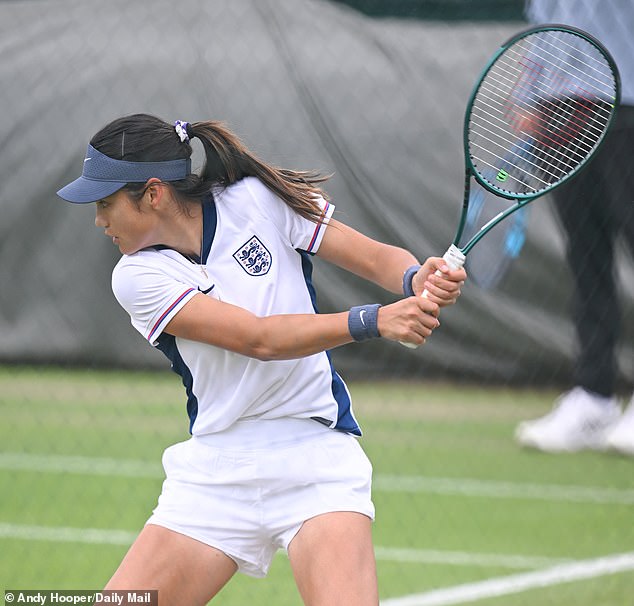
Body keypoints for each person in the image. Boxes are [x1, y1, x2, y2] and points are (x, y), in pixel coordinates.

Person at [56, 113, 466, 605]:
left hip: (316, 456)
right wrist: (373, 320)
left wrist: (416, 278)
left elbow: (378, 258)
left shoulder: (257, 200)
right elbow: (258, 340)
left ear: (153, 193)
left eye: (105, 203)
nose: (99, 221)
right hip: (216, 472)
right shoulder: (135, 277)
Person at [515, 0, 634, 455]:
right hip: (561, 112)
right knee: (586, 256)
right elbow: (542, 20)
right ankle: (594, 398)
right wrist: (530, 97)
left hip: (626, 105)